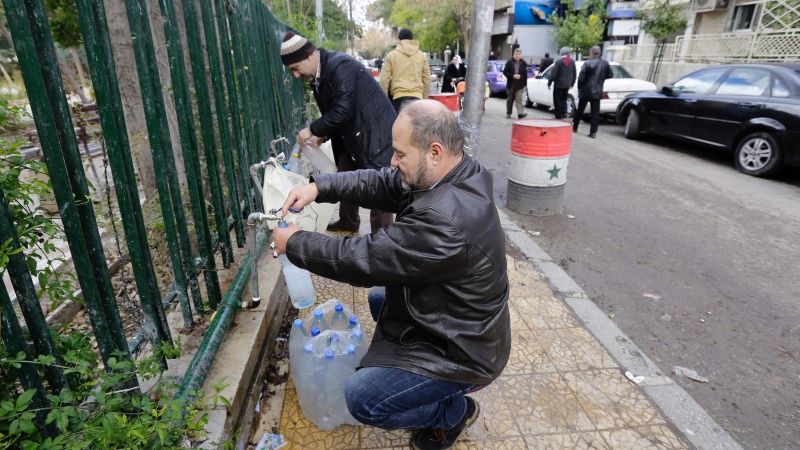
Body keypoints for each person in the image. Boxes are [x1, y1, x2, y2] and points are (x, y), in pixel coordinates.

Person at [272, 99, 511, 450]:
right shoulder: (453, 171)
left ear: (434, 151)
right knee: (380, 297)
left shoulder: (445, 219)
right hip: (458, 321)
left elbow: (364, 258)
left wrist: (294, 243)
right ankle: (418, 379)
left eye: (400, 154)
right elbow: (382, 183)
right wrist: (318, 187)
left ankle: (450, 412)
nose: (392, 161)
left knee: (362, 399)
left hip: (465, 351)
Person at [280, 31, 395, 234]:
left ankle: (383, 238)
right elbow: (334, 110)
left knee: (379, 185)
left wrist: (311, 129)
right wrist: (322, 135)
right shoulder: (318, 75)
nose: (296, 75)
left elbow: (342, 110)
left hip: (374, 132)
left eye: (295, 68)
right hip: (351, 134)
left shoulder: (339, 65)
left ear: (308, 55)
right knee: (345, 176)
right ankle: (348, 221)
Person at [380, 28, 431, 113]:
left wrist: (385, 101)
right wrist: (424, 98)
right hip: (417, 98)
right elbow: (427, 80)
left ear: (399, 40)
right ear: (412, 39)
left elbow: (384, 80)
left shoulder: (391, 56)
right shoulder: (422, 56)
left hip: (398, 98)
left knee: (398, 126)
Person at [573, 45, 613, 138]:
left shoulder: (587, 63)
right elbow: (610, 75)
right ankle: (593, 132)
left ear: (591, 53)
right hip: (597, 90)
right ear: (599, 53)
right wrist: (601, 78)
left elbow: (581, 78)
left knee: (580, 110)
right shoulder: (605, 63)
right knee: (595, 112)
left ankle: (575, 126)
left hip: (586, 90)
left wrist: (580, 88)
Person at [547, 46, 577, 120]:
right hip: (567, 85)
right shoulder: (572, 61)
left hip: (559, 84)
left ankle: (558, 115)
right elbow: (574, 73)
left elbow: (553, 74)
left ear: (561, 53)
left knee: (557, 100)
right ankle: (564, 112)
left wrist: (549, 83)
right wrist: (572, 83)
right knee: (564, 99)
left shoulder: (559, 62)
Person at [502, 48, 529, 119]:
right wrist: (513, 76)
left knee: (519, 99)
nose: (517, 56)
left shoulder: (523, 63)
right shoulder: (509, 62)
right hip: (511, 84)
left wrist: (525, 84)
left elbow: (525, 74)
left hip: (520, 85)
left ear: (521, 55)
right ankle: (508, 112)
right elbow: (505, 72)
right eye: (516, 54)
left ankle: (520, 113)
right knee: (510, 99)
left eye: (518, 54)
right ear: (513, 54)